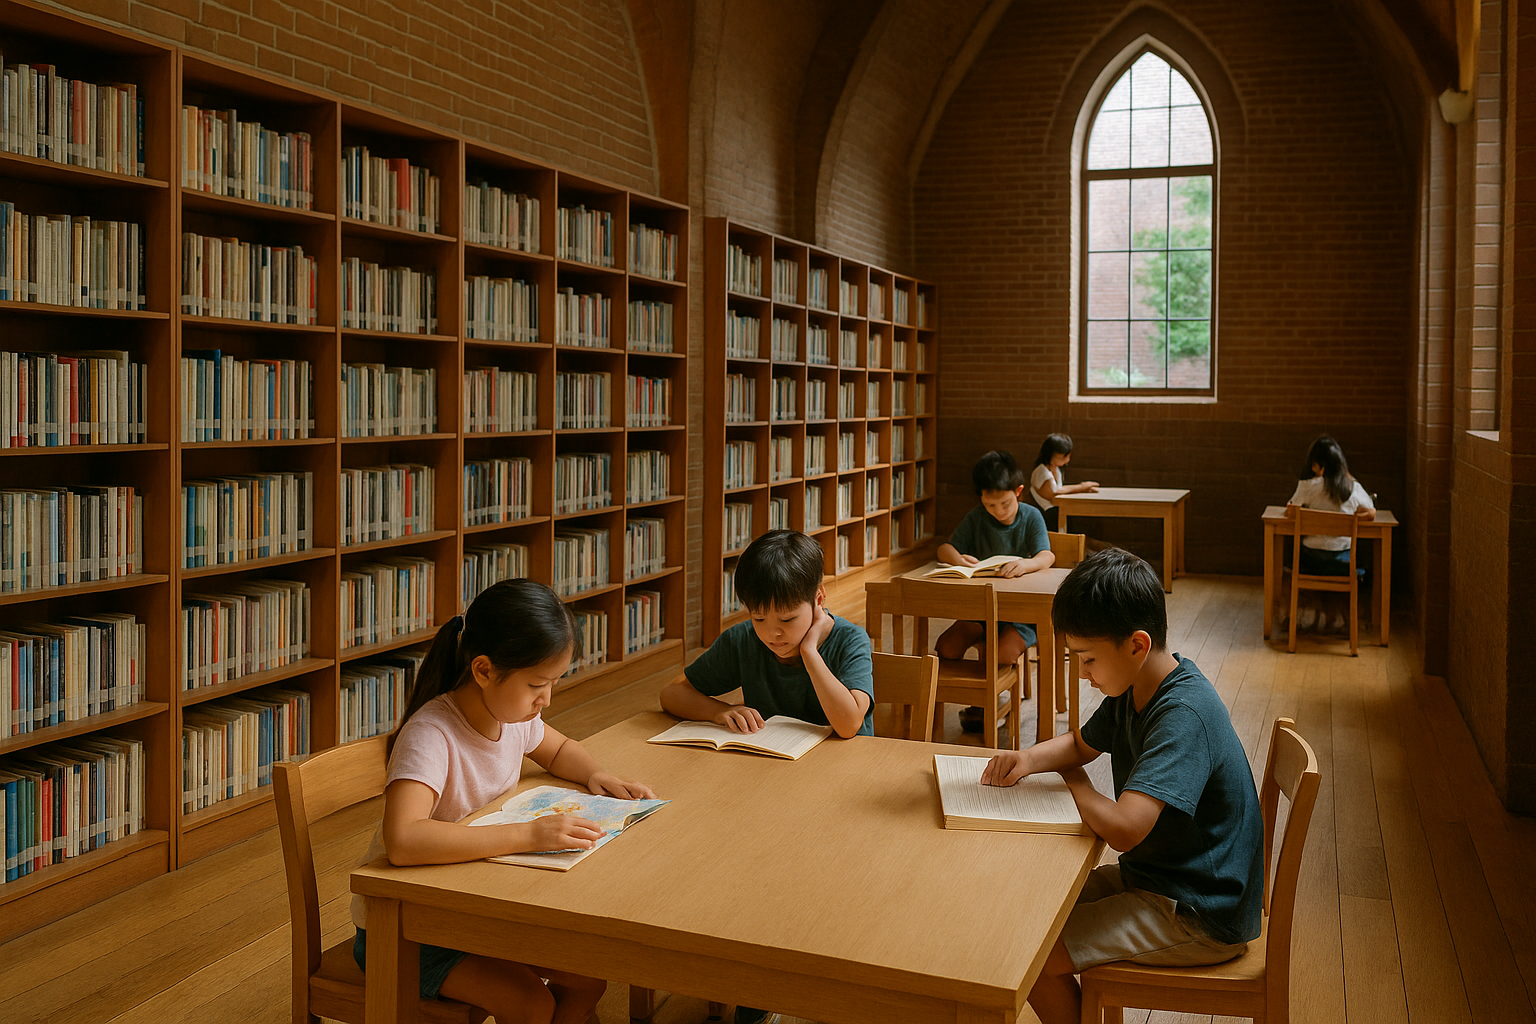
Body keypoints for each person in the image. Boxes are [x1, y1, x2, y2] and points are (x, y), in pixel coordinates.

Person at [350, 578, 656, 1024]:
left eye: (554, 682)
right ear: (483, 670)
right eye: (537, 684)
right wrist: (528, 835)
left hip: (476, 905)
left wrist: (596, 773)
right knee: (529, 1004)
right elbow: (403, 839)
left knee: (590, 979)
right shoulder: (432, 735)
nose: (546, 699)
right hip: (406, 927)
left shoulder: (510, 714)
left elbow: (557, 749)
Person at [979, 549, 1263, 1024]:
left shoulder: (1182, 714)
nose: (1084, 674)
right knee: (1029, 912)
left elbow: (1126, 830)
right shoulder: (1137, 684)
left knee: (1032, 956)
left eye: (1087, 660)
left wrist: (1074, 780)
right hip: (1161, 878)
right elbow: (1082, 743)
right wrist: (1028, 759)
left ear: (1136, 644)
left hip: (1200, 911)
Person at [661, 529, 873, 1024]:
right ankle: (752, 979)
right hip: (761, 794)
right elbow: (672, 696)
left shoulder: (847, 640)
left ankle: (805, 974)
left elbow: (846, 724)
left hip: (841, 803)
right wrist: (718, 712)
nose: (773, 633)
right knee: (734, 871)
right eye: (759, 618)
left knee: (800, 883)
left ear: (818, 602)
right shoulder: (743, 641)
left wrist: (812, 652)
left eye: (788, 619)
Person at [935, 449, 1055, 733]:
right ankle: (971, 699)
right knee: (946, 647)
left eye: (1005, 503)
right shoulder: (976, 518)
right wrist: (957, 558)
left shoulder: (1031, 516)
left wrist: (1026, 565)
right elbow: (944, 548)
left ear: (1019, 492)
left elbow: (1046, 556)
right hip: (981, 611)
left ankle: (990, 703)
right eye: (990, 505)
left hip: (1020, 615)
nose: (999, 511)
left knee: (999, 654)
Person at [1284, 433, 1375, 633]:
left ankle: (1289, 618)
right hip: (1342, 563)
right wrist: (1353, 517)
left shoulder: (1309, 486)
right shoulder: (1352, 489)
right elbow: (1371, 512)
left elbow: (1290, 510)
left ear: (1319, 465)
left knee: (1289, 558)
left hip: (1310, 561)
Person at [1029, 433, 1098, 531]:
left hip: (1056, 510)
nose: (1067, 459)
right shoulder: (1041, 471)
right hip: (1046, 513)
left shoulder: (1056, 469)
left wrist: (1082, 489)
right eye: (1063, 457)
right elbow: (1053, 493)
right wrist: (1081, 487)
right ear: (1050, 454)